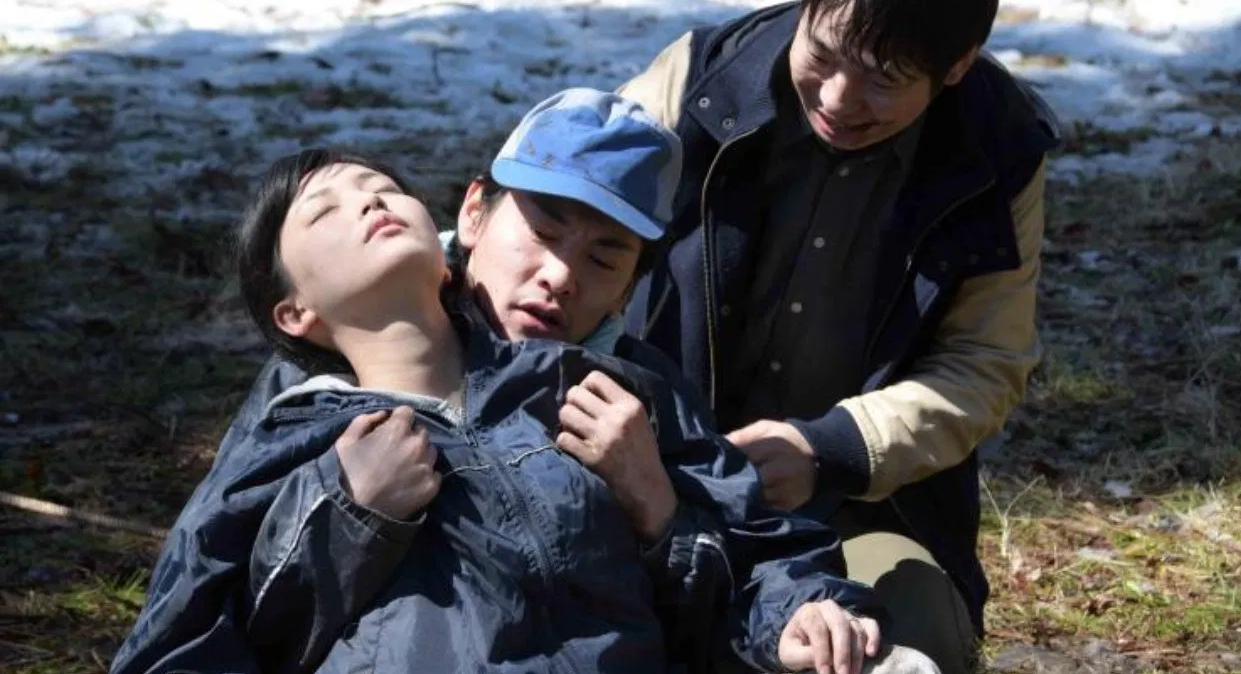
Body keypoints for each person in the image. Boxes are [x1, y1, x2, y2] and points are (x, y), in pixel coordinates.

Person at [109, 90, 916, 674]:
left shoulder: (626, 391)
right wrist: (347, 514)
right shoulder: (306, 414)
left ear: (634, 283)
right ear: (473, 214)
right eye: (541, 229)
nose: (560, 275)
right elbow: (199, 630)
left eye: (605, 257)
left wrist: (660, 509)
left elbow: (756, 560)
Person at [615, 0, 1061, 670]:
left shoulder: (998, 149)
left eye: (884, 78)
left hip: (856, 510)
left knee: (906, 648)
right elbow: (561, 235)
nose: (839, 98)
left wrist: (833, 449)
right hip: (650, 476)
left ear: (956, 66)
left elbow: (986, 364)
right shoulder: (698, 79)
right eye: (821, 53)